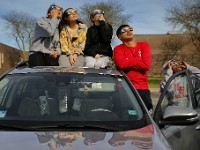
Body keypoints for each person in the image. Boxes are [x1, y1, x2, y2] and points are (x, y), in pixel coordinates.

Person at [113, 24, 153, 111]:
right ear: (119, 37)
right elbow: (121, 64)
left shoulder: (144, 45)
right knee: (127, 115)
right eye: (124, 30)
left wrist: (127, 61)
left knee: (147, 116)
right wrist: (138, 59)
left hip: (142, 88)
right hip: (125, 88)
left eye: (130, 29)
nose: (129, 31)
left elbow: (146, 65)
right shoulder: (118, 49)